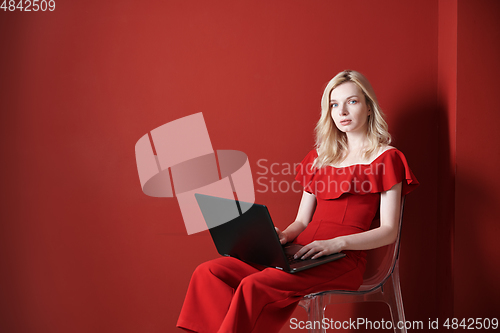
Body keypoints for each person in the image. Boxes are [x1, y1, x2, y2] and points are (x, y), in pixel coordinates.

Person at [176, 70, 419, 333]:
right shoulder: (319, 158)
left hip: (341, 259)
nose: (342, 112)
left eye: (352, 101)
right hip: (300, 252)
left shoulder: (387, 158)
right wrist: (280, 236)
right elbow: (302, 221)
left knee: (253, 285)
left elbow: (388, 232)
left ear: (369, 107)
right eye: (334, 104)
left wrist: (336, 243)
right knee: (208, 272)